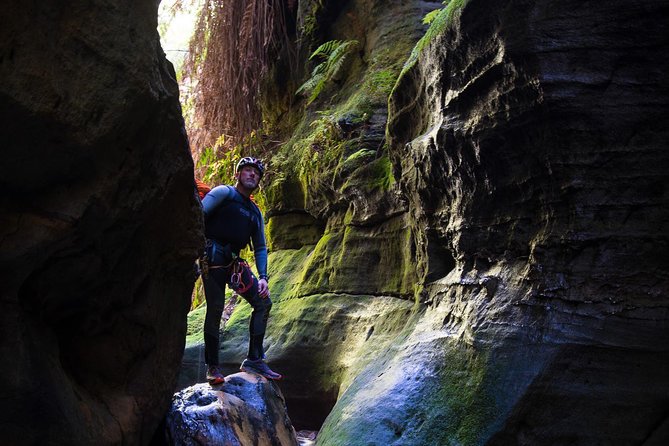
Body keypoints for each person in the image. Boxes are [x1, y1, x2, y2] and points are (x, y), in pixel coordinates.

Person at [200, 156, 282, 384]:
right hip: (213, 256)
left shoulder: (254, 212)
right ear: (237, 174)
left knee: (263, 302)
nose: (252, 174)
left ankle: (254, 359)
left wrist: (263, 277)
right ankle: (213, 368)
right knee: (215, 309)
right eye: (247, 170)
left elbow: (261, 247)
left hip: (234, 263)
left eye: (256, 173)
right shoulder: (224, 193)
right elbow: (200, 216)